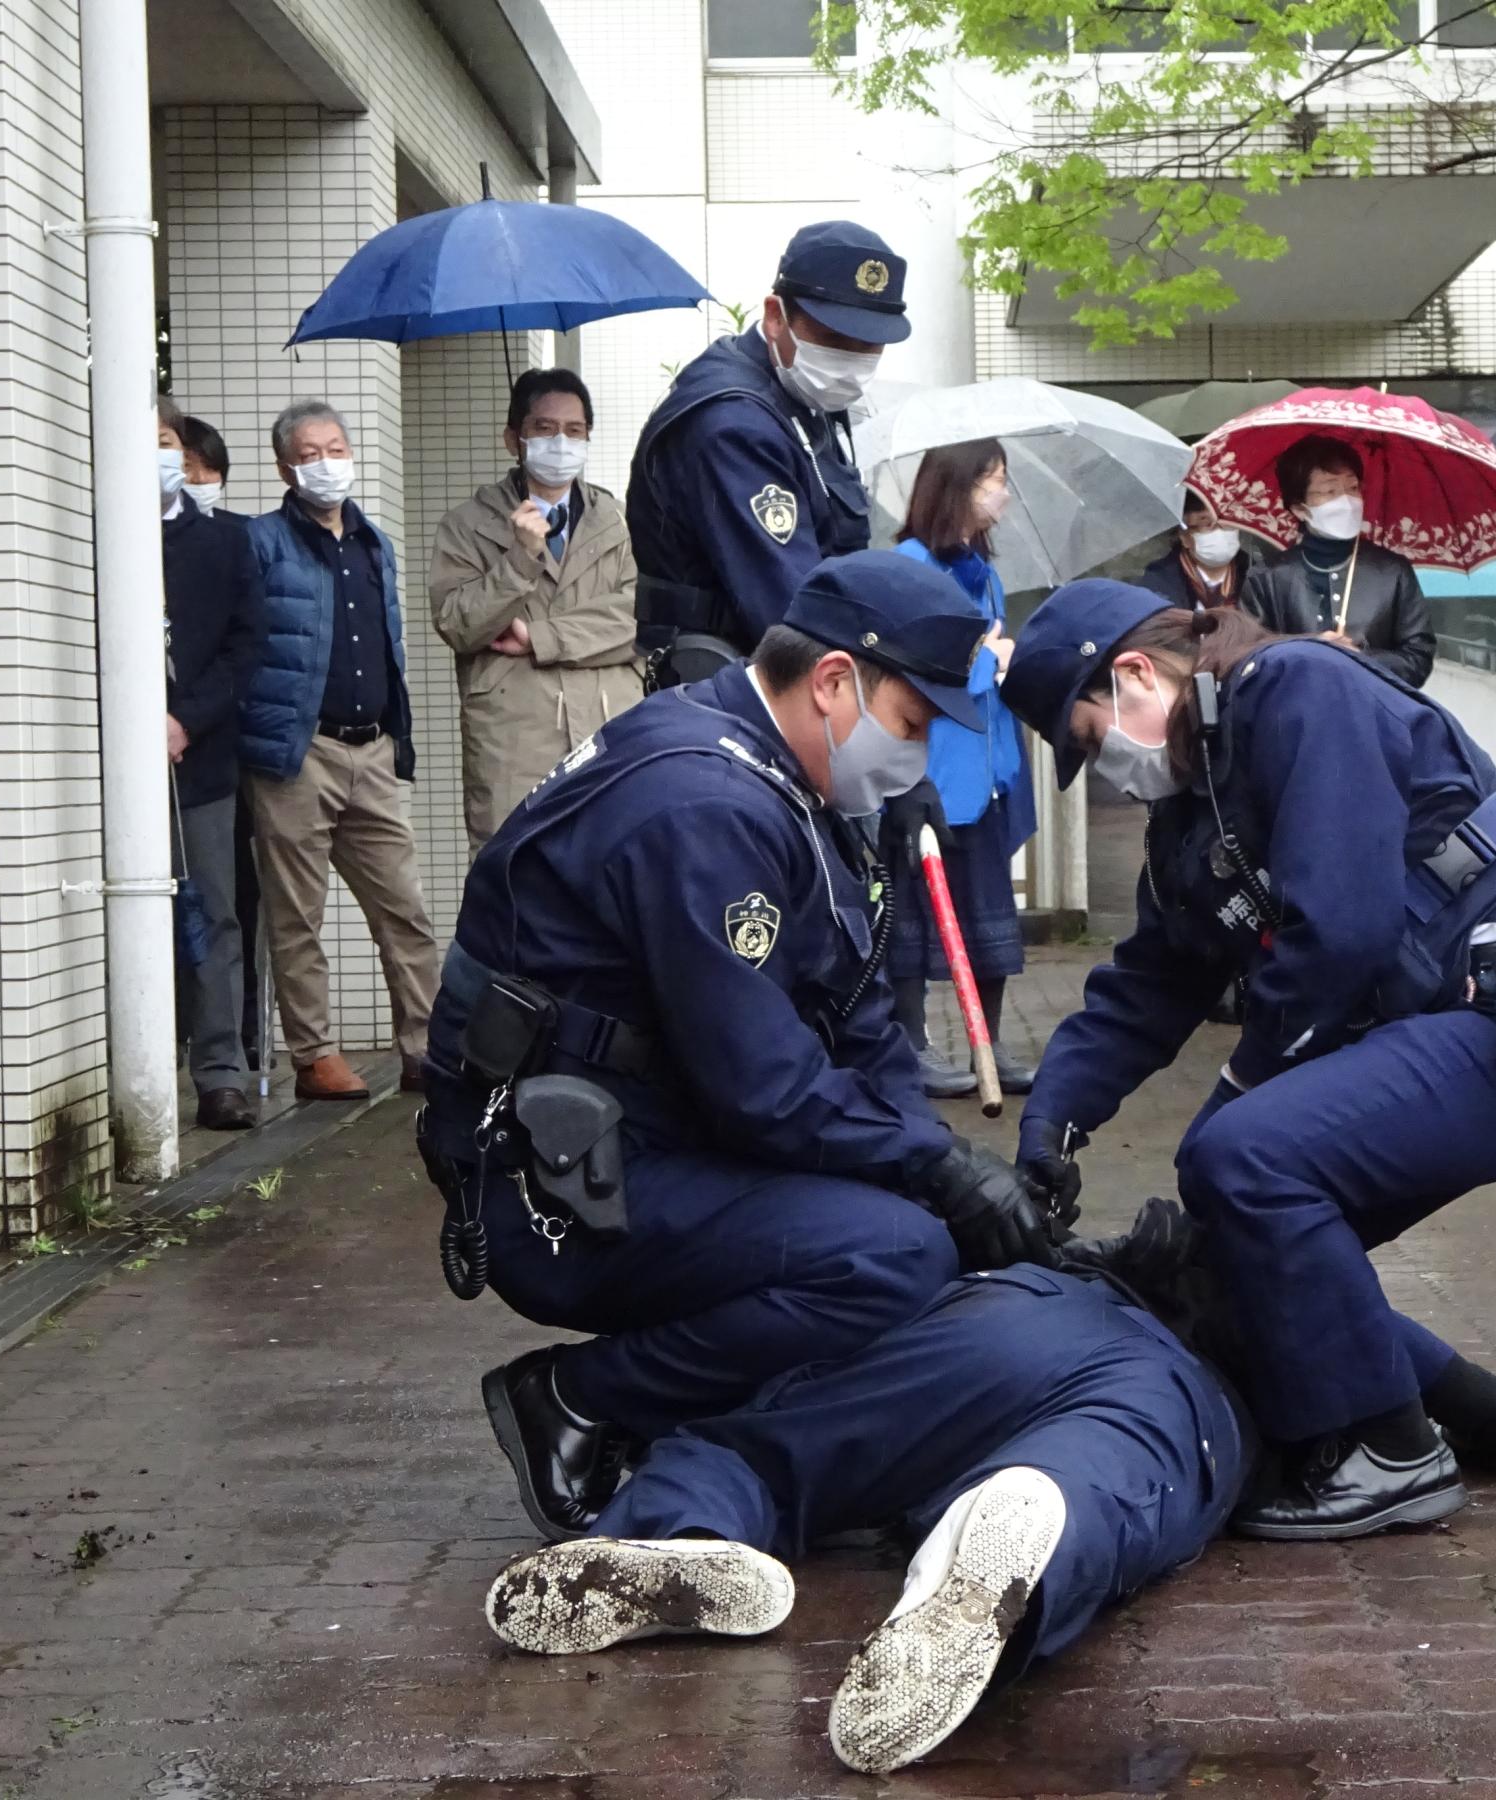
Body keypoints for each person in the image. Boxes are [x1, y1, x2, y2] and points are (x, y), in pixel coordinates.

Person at [415, 551, 1063, 1544]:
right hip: (556, 1191)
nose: (920, 757)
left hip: (644, 1136)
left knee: (919, 1221)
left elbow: (854, 1020)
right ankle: (585, 1399)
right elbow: (766, 1090)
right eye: (914, 723)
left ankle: (705, 1430)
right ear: (836, 682)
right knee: (888, 1258)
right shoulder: (705, 803)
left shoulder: (778, 772)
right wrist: (939, 1173)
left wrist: (943, 1163)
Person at [998, 582, 1496, 1541]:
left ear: (1137, 673)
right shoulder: (1195, 805)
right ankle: (1484, 1411)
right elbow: (1152, 981)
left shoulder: (1299, 691)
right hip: (1433, 1037)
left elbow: (1344, 934)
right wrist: (1050, 1126)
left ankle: (1392, 1450)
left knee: (1238, 1161)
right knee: (1222, 1240)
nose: (1105, 769)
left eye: (1091, 734)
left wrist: (1241, 1086)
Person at [482, 1215, 1252, 1776]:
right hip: (1175, 1391)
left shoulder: (1088, 1268)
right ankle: (1004, 1523)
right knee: (1097, 1486)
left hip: (1023, 1311)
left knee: (763, 1454)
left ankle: (684, 1530)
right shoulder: (1243, 1365)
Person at [241, 401, 443, 1101]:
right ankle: (315, 1056)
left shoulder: (375, 543)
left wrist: (401, 737)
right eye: (309, 452)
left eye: (335, 448)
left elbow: (389, 649)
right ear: (285, 467)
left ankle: (425, 1047)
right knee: (298, 914)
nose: (326, 462)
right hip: (299, 752)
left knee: (405, 910)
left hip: (373, 750)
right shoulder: (262, 543)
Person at [628, 221, 906, 684]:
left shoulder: (801, 395)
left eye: (870, 346)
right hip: (728, 696)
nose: (852, 364)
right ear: (776, 316)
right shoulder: (733, 424)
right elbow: (791, 608)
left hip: (776, 689)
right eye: (836, 340)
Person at [430, 369, 644, 851]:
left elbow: (639, 616)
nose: (561, 442)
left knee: (615, 873)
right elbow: (459, 624)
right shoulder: (467, 526)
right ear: (514, 439)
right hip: (515, 736)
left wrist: (540, 638)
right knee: (515, 881)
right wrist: (520, 556)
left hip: (609, 726)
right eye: (544, 429)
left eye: (574, 430)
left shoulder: (616, 518)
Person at [890, 439, 1040, 1098]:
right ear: (955, 486)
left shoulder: (984, 569)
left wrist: (1005, 656)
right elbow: (917, 668)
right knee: (915, 918)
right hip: (929, 773)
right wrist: (989, 658)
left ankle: (990, 1042)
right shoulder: (909, 565)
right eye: (993, 481)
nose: (1002, 494)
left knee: (988, 913)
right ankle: (912, 1046)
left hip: (987, 773)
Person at [161, 410, 264, 1130]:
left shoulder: (224, 543)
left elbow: (246, 647)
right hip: (103, 770)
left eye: (163, 444)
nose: (152, 456)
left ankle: (221, 1070)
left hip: (200, 761)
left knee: (216, 914)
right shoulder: (89, 534)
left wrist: (183, 720)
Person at [1238, 436, 1436, 686]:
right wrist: (1310, 652)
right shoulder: (1267, 578)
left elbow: (1418, 656)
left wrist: (1360, 657)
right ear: (1299, 508)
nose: (1346, 501)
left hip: (1376, 713)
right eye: (1330, 491)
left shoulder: (1392, 571)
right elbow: (1247, 658)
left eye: (1353, 489)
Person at [1137, 489, 1250, 612]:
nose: (1220, 531)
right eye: (1207, 524)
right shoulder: (1157, 586)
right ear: (1184, 536)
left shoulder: (1259, 578)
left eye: (1227, 523)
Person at [173, 413, 235, 517]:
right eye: (185, 466)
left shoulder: (243, 530)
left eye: (209, 467)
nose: (200, 479)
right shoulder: (145, 530)